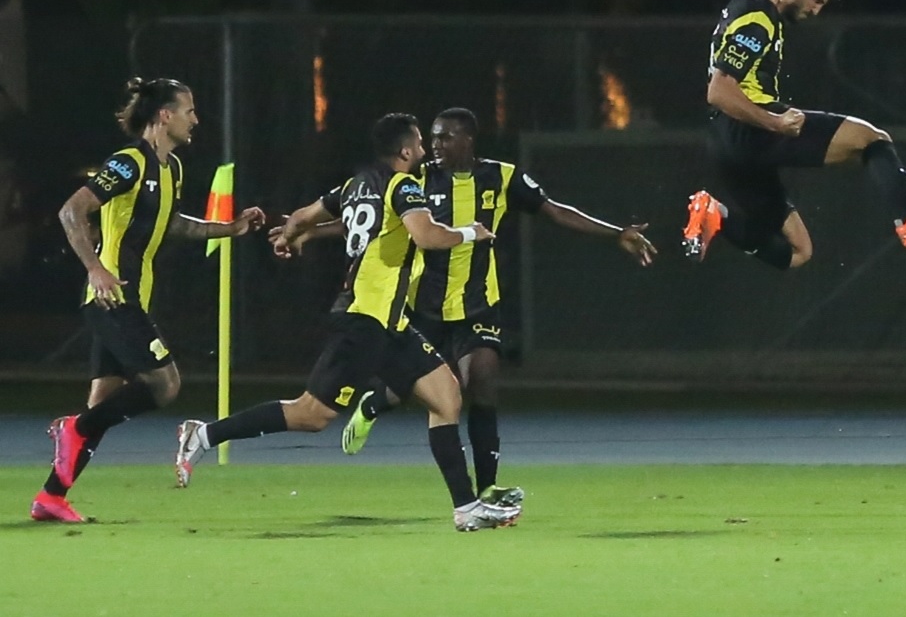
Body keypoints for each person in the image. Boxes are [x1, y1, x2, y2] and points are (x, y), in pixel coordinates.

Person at [173, 112, 522, 532]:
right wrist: (470, 233)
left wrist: (289, 235)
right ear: (407, 150)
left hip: (389, 324)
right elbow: (427, 237)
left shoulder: (356, 184)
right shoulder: (403, 185)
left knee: (446, 397)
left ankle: (466, 507)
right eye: (419, 143)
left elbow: (303, 213)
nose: (425, 150)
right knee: (311, 415)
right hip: (364, 320)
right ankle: (205, 435)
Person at [333, 107, 657, 507]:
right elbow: (372, 219)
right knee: (407, 392)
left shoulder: (501, 177)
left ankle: (486, 488)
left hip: (477, 308)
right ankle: (374, 403)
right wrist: (307, 233)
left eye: (444, 137)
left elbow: (555, 210)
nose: (435, 145)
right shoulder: (415, 178)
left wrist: (616, 233)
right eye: (432, 137)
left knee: (482, 381)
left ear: (468, 140)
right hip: (424, 307)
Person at [31, 77, 266, 523]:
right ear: (165, 115)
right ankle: (72, 429)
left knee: (103, 402)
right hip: (112, 298)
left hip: (130, 297)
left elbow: (173, 223)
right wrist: (96, 269)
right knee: (164, 384)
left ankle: (51, 498)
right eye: (189, 110)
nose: (195, 119)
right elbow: (71, 210)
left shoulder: (170, 169)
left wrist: (230, 228)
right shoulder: (129, 163)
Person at [682, 0, 906, 269]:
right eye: (817, 1)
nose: (816, 11)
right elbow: (718, 90)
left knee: (799, 253)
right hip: (748, 129)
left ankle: (715, 215)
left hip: (724, 142)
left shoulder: (748, 6)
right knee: (872, 139)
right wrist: (774, 123)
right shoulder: (758, 19)